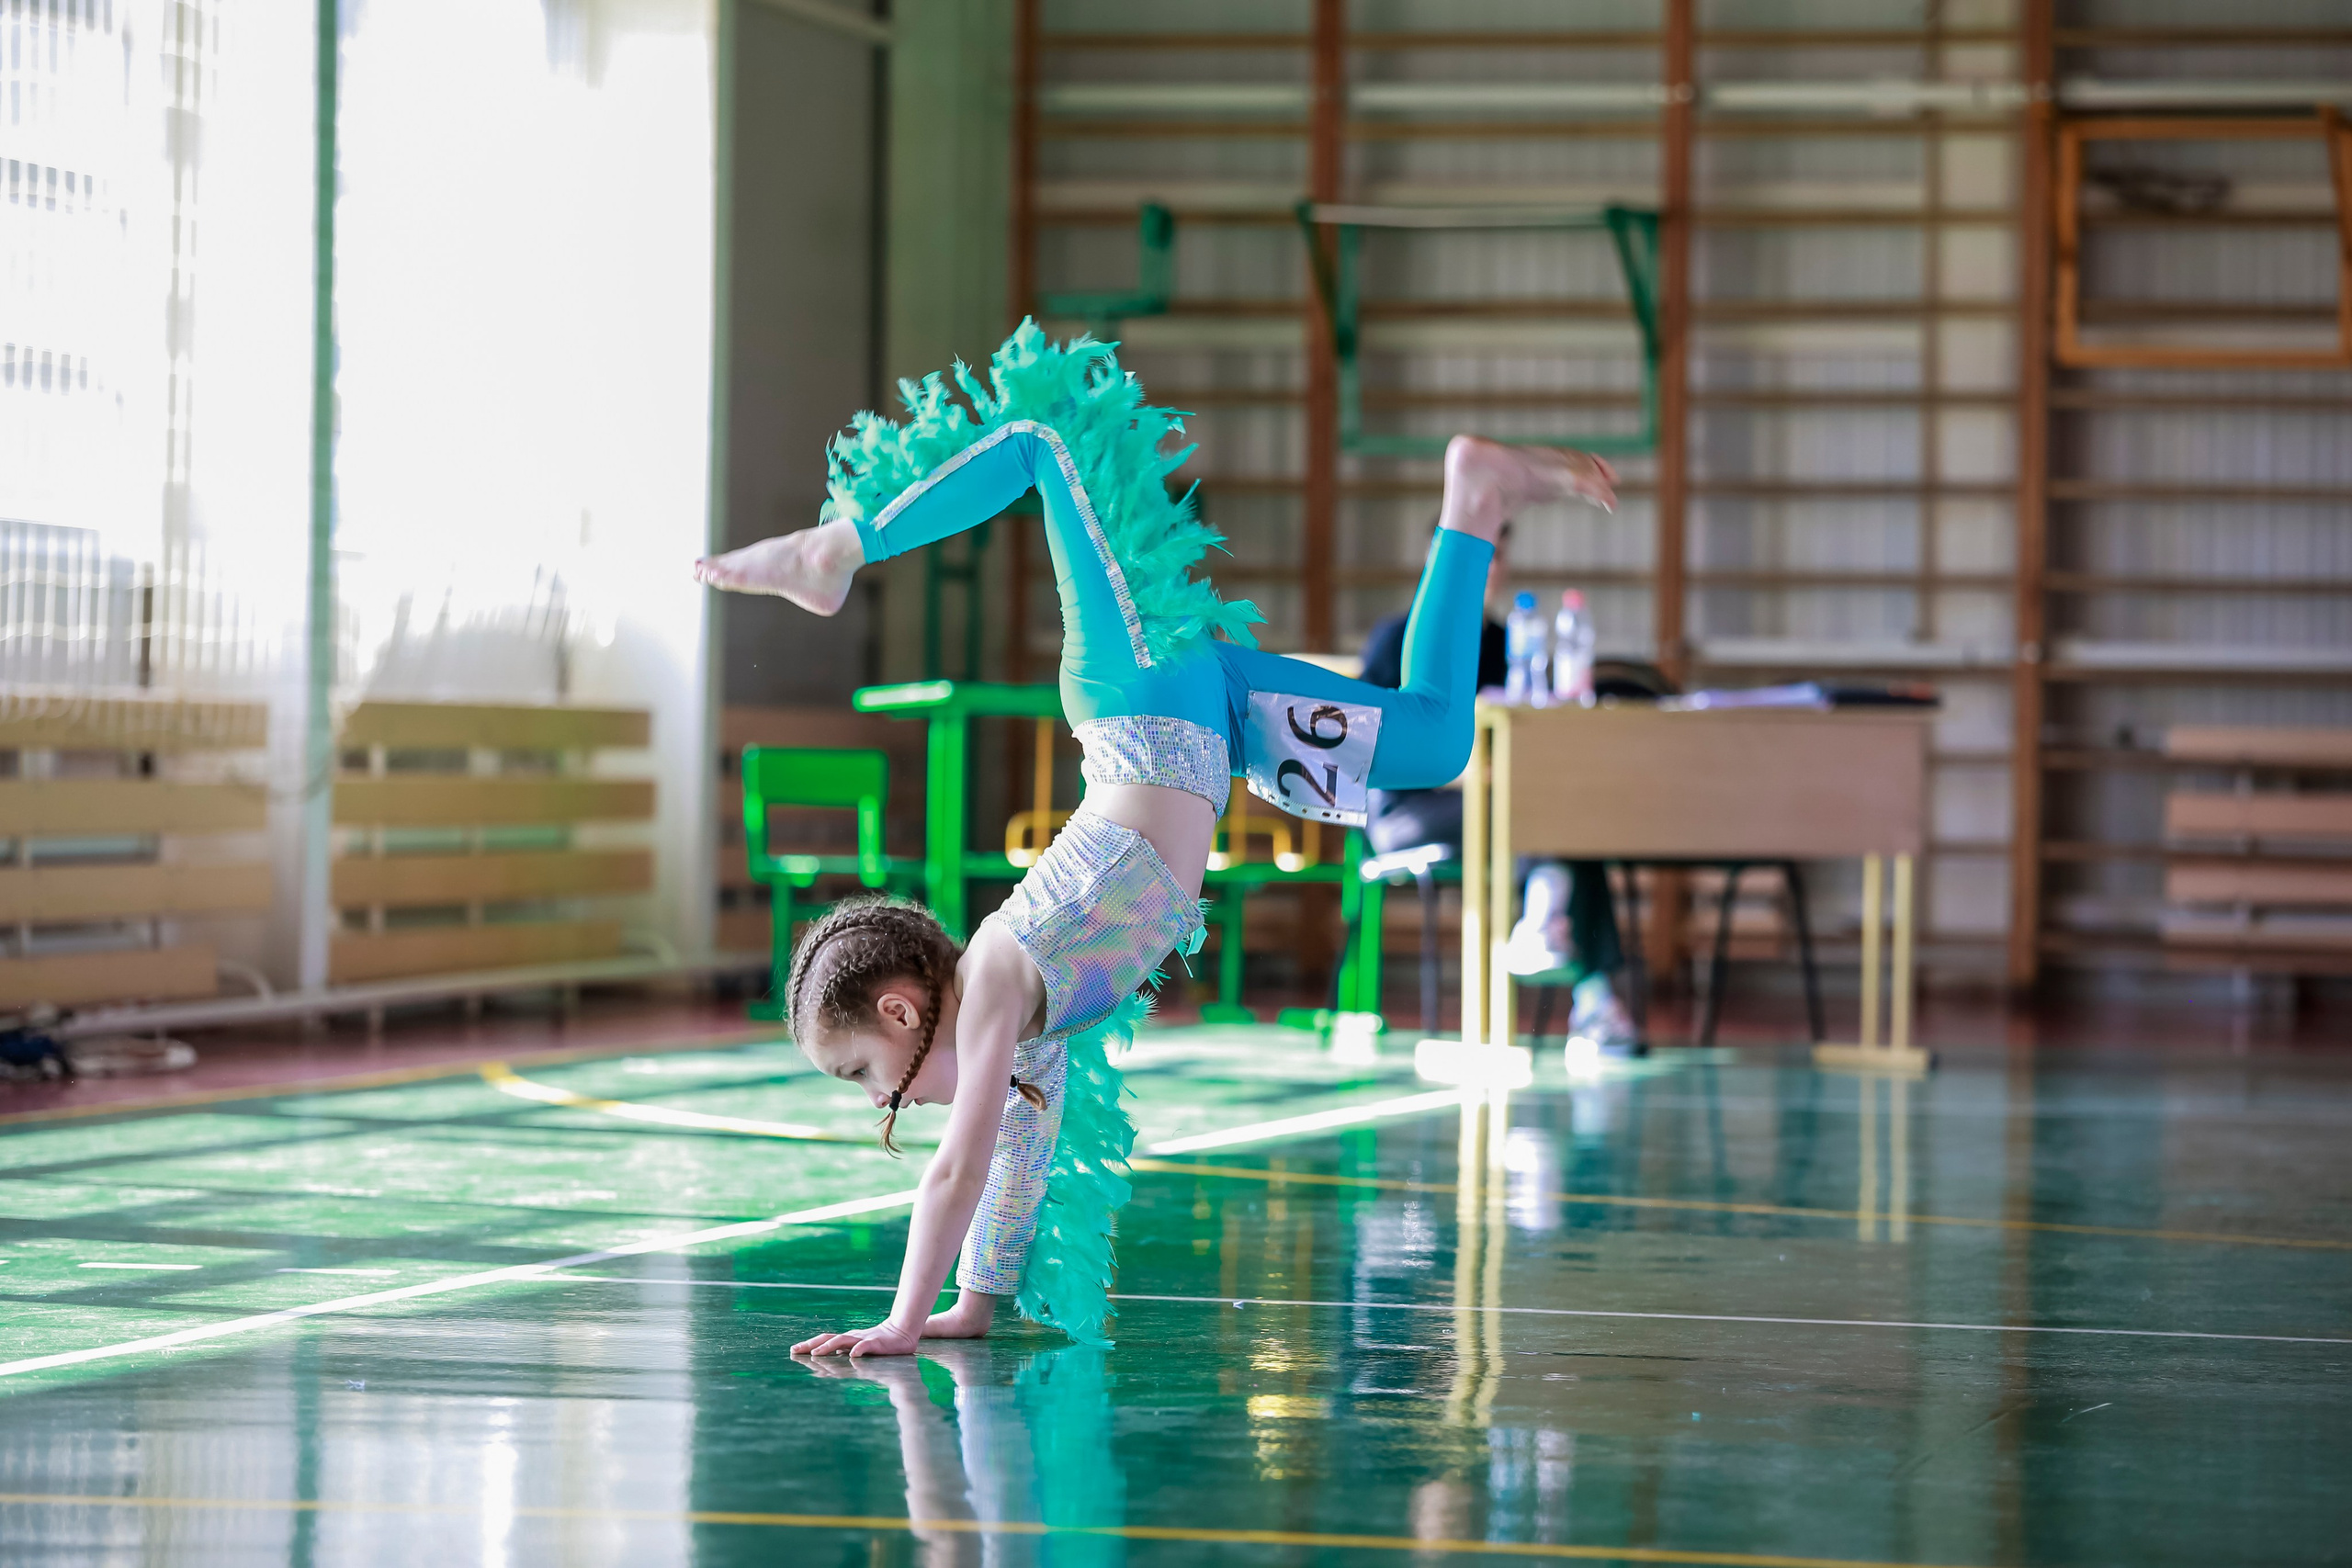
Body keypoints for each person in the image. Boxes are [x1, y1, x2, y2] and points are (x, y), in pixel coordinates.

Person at [695, 321, 1615, 1355]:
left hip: (1139, 699)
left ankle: (834, 547)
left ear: (904, 1010)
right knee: (1437, 736)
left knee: (1052, 429)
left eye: (863, 1072)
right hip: (1206, 715)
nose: (875, 1100)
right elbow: (1013, 1164)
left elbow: (959, 1162)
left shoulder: (998, 971)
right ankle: (1474, 499)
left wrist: (900, 1321)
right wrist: (970, 1308)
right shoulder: (1031, 1027)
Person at [1357, 529, 1641, 1057]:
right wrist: (1460, 770)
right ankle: (1545, 910)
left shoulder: (1506, 641)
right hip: (1411, 806)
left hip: (1496, 801)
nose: (1488, 569)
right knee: (1525, 812)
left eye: (1496, 557)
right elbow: (1370, 743)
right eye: (1475, 557)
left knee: (1568, 817)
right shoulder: (1398, 636)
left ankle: (1594, 996)